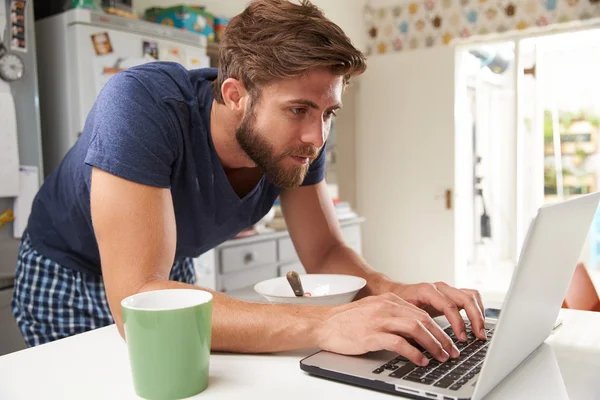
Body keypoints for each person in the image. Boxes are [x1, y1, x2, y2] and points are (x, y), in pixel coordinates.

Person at [12, 0, 486, 367]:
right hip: (69, 273)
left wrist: (394, 291)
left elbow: (324, 254)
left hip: (166, 274)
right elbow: (139, 300)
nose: (316, 137)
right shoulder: (142, 103)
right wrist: (327, 323)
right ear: (236, 95)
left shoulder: (298, 140)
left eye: (328, 113)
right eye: (299, 110)